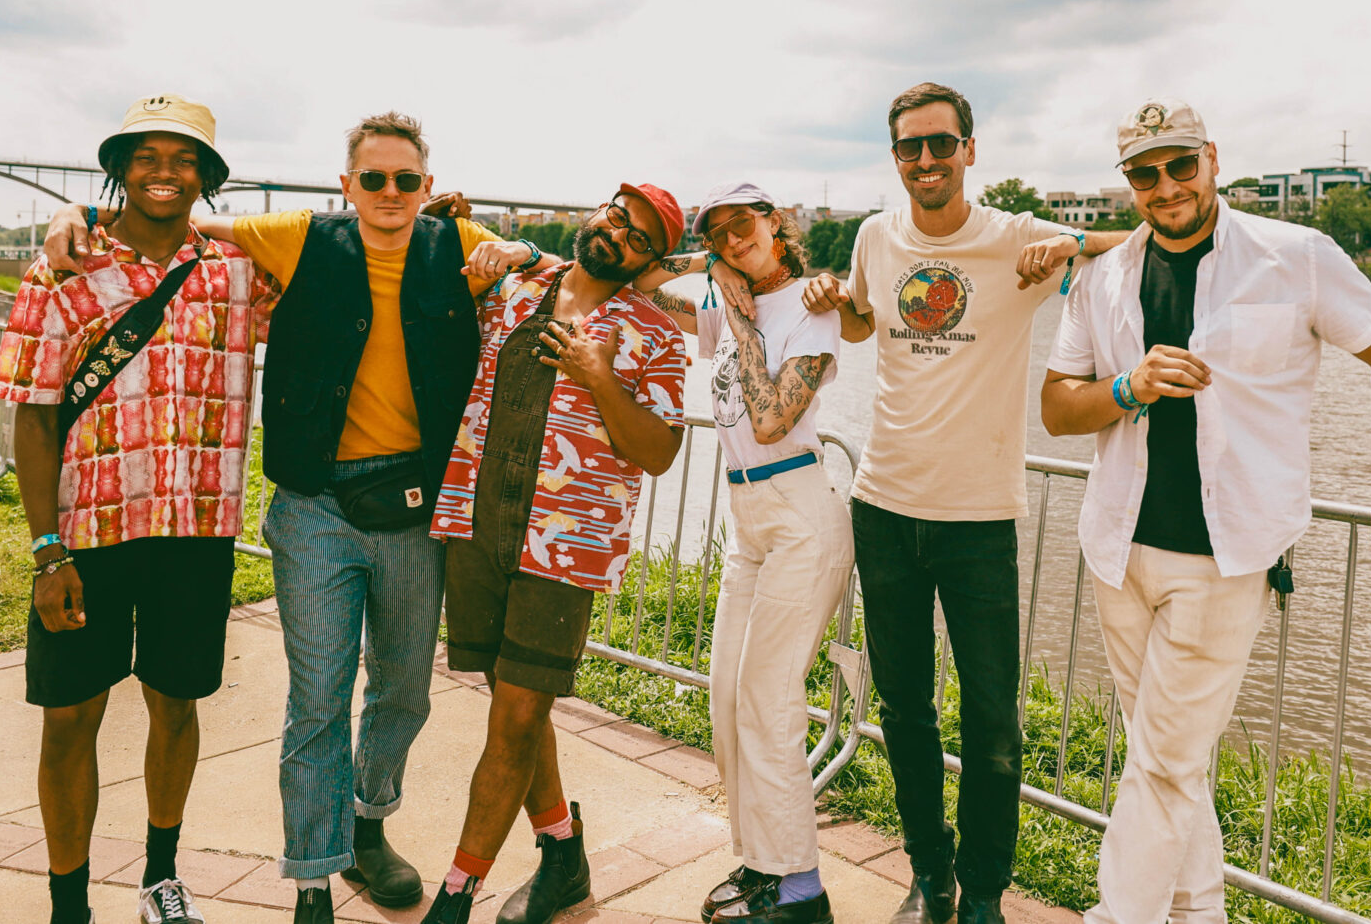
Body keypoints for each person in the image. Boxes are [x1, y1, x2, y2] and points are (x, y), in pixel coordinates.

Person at [42, 112, 536, 924]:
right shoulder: (300, 235)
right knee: (318, 699)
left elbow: (544, 267)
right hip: (316, 506)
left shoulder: (457, 243)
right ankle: (313, 878)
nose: (388, 192)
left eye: (405, 179)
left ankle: (367, 820)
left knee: (404, 693)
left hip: (413, 508)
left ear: (426, 185)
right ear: (346, 184)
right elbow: (178, 219)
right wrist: (83, 212)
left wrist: (515, 250)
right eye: (371, 178)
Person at [1040, 96, 1371, 924]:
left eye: (1180, 164)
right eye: (1145, 174)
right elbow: (1056, 405)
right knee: (1168, 761)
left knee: (1160, 764)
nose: (1166, 186)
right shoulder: (1103, 277)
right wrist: (1129, 387)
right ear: (1128, 184)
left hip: (1224, 559)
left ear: (1213, 159)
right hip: (1118, 549)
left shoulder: (1296, 256)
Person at [802, 83, 1128, 924]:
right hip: (884, 505)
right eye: (909, 147)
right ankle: (930, 875)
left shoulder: (1016, 237)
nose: (926, 160)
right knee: (904, 709)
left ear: (969, 150)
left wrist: (1069, 242)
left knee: (991, 720)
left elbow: (1136, 243)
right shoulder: (876, 235)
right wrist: (836, 301)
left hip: (980, 516)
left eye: (941, 144)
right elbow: (864, 323)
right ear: (895, 157)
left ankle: (983, 891)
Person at [0, 94, 268, 924]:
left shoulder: (238, 272)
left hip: (194, 530)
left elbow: (354, 257)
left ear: (208, 177)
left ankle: (160, 877)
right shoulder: (62, 267)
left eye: (184, 159)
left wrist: (446, 226)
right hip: (88, 532)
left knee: (175, 704)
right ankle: (68, 904)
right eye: (146, 156)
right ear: (118, 167)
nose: (164, 172)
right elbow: (35, 416)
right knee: (70, 716)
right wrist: (47, 550)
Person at [421, 185, 690, 924]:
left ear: (649, 261)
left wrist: (599, 375)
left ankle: (456, 895)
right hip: (478, 523)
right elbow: (433, 306)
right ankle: (564, 855)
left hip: (565, 546)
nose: (618, 234)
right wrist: (446, 227)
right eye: (616, 215)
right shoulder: (515, 288)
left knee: (514, 718)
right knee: (516, 699)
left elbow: (660, 451)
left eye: (638, 238)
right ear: (598, 211)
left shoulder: (655, 334)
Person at [638, 184, 851, 924]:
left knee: (769, 699)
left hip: (800, 513)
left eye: (743, 224)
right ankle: (765, 861)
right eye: (718, 232)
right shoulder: (724, 295)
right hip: (747, 517)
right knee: (728, 697)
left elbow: (769, 421)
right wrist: (708, 269)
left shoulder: (812, 308)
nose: (734, 238)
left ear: (775, 224)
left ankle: (802, 891)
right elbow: (640, 279)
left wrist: (738, 317)